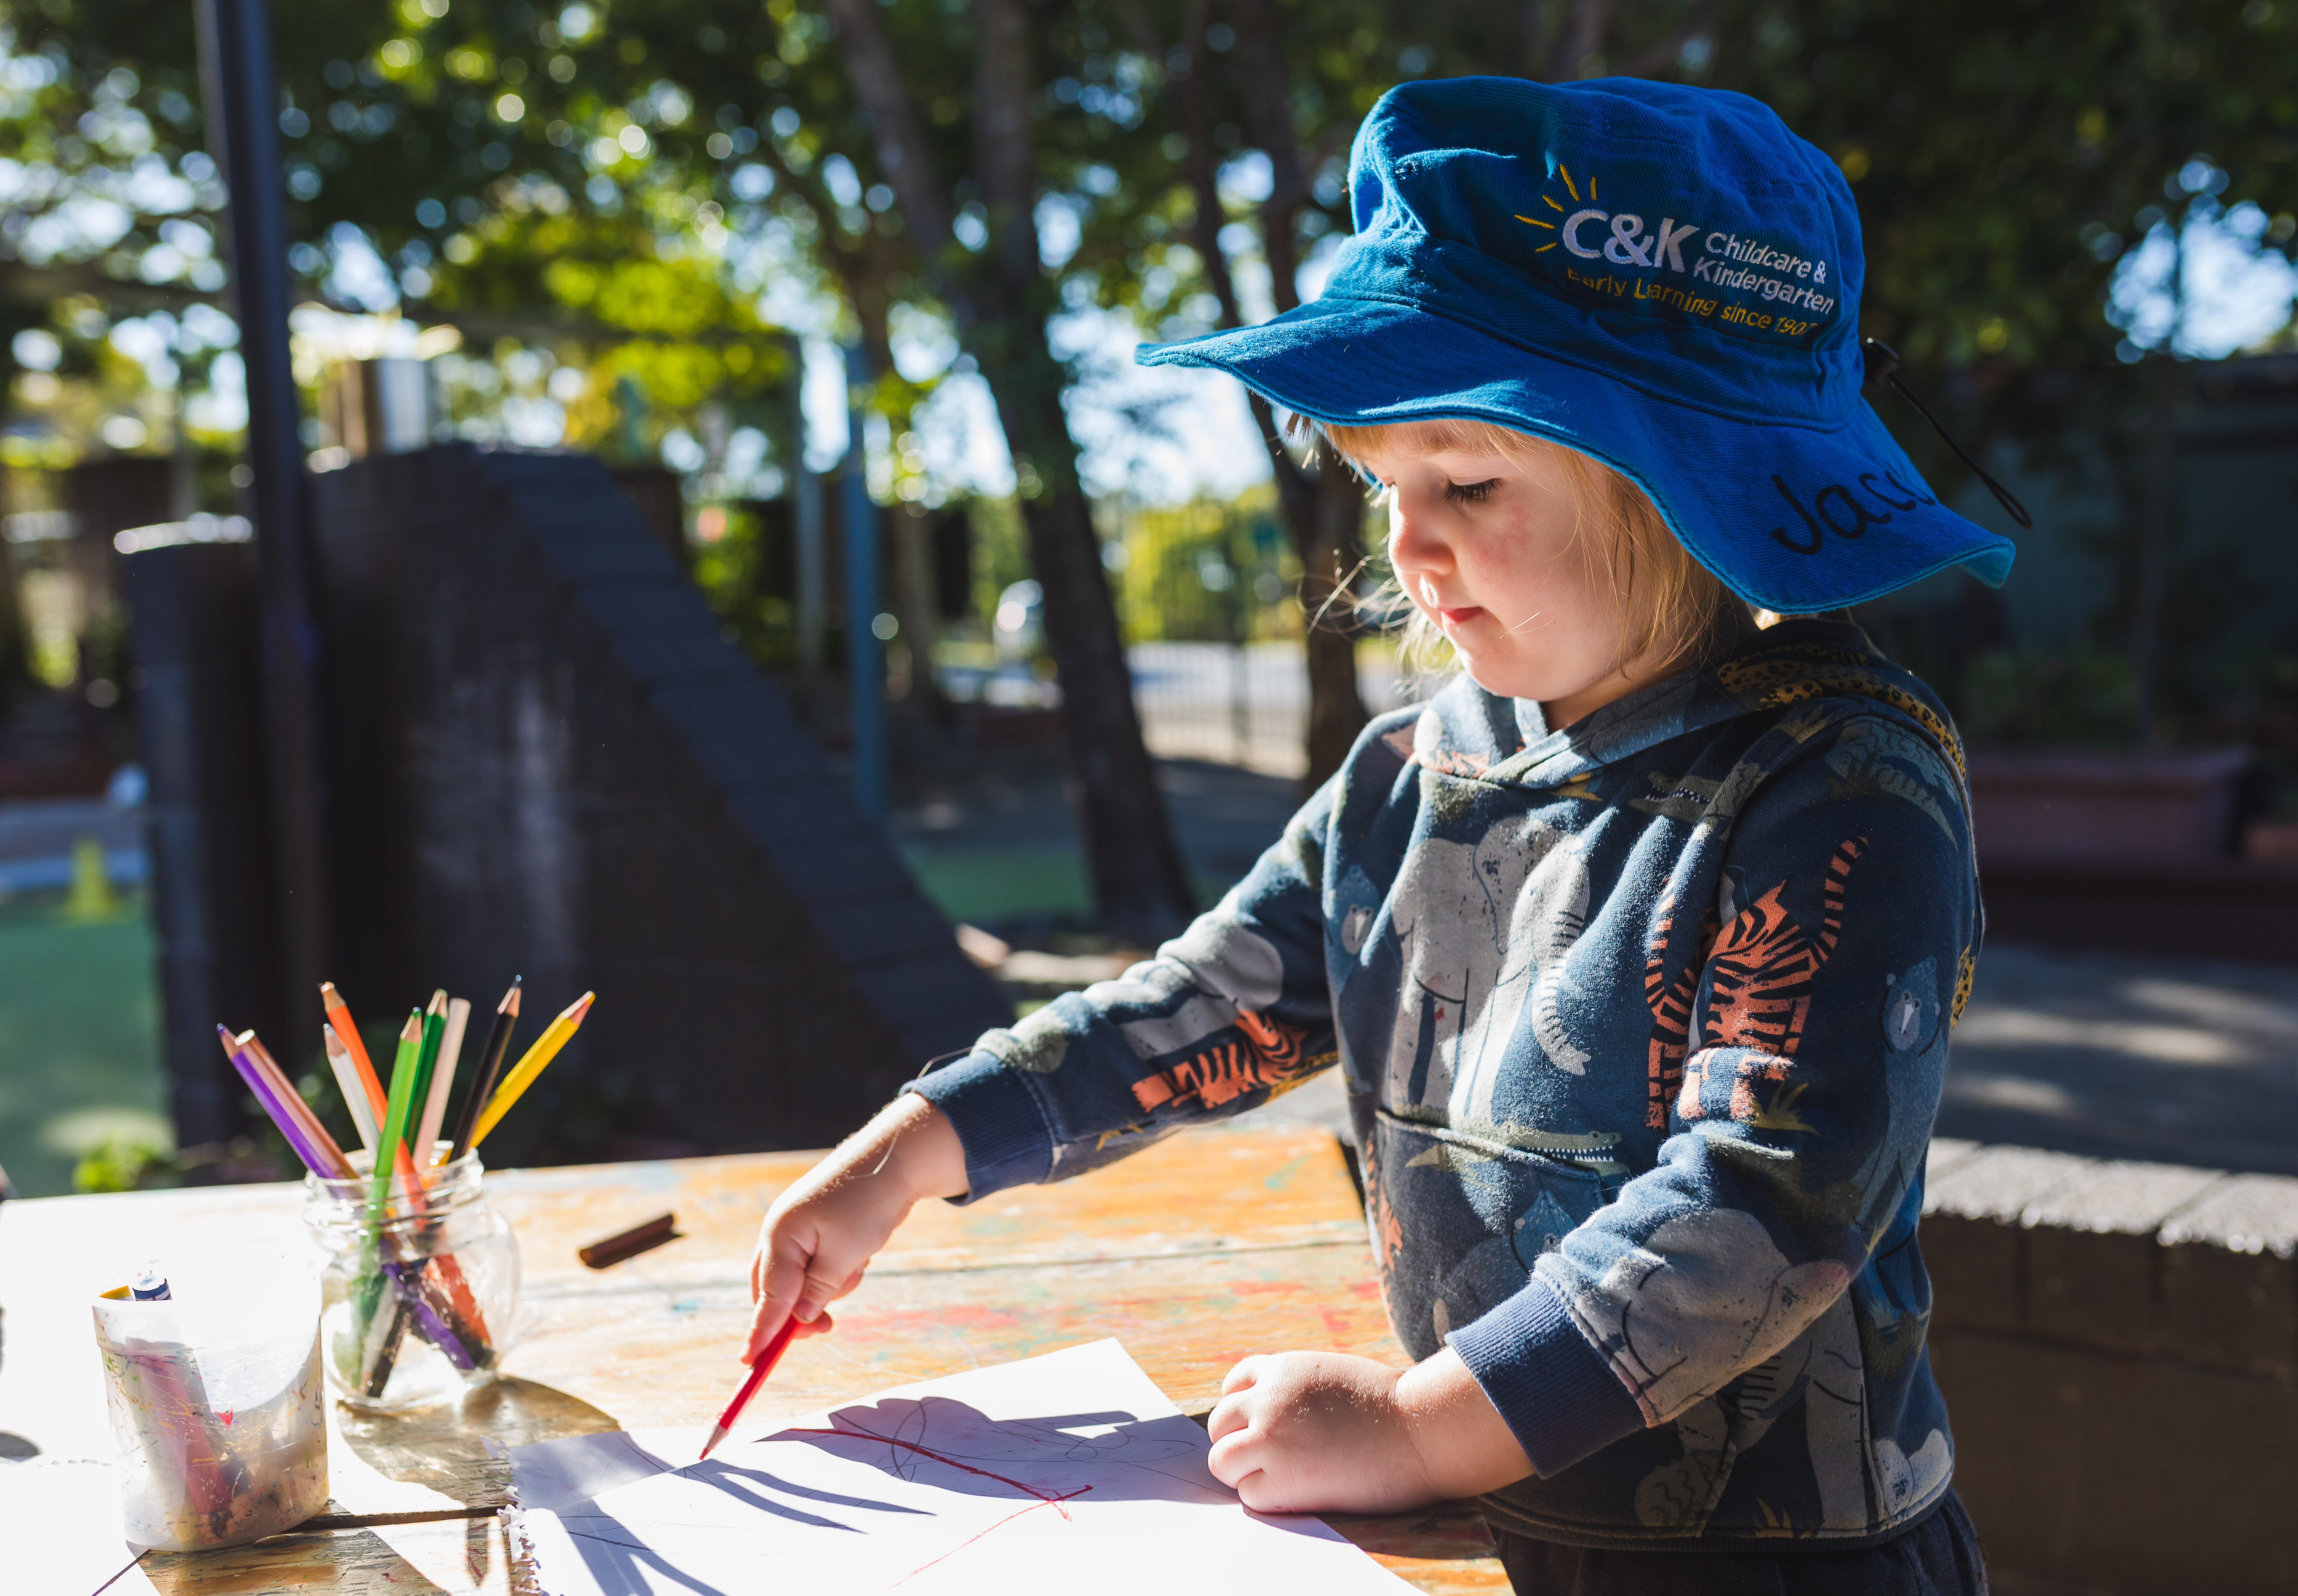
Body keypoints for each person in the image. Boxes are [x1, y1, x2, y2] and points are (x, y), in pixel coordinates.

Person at [741, 75, 2010, 1594]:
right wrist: (909, 1153)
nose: (1404, 544)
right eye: (1381, 482)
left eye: (1467, 480)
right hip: (1489, 1527)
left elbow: (1760, 1207)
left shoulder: (1841, 788)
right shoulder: (1414, 766)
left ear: (1688, 482)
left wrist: (1414, 1425)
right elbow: (1206, 1003)